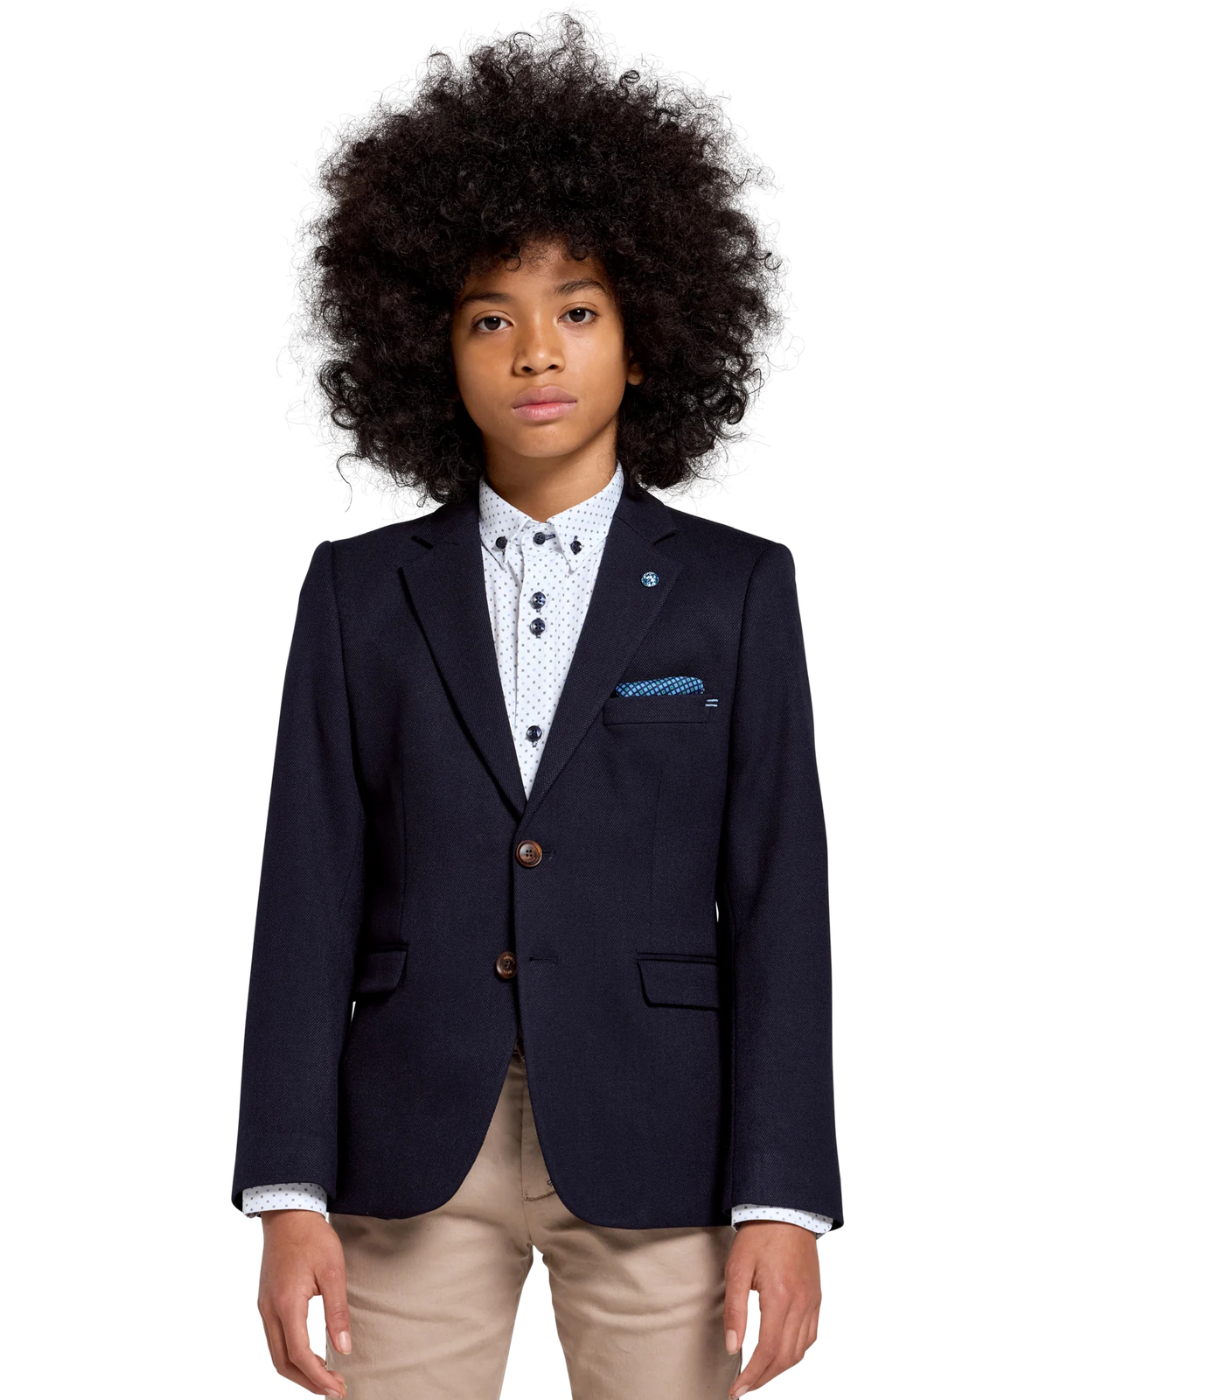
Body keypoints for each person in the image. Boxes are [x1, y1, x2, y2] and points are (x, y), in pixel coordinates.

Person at [232, 17, 842, 1399]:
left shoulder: (738, 592)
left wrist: (784, 1197)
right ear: (429, 349)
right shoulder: (357, 593)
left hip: (662, 1142)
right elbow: (307, 888)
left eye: (577, 310)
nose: (534, 353)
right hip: (407, 1145)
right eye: (489, 318)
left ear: (646, 339)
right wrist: (286, 1188)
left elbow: (779, 895)